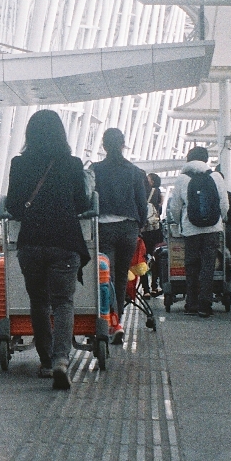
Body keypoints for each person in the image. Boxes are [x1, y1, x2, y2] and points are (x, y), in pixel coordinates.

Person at [6, 110, 91, 390]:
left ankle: (44, 360)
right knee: (64, 302)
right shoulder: (72, 164)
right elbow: (81, 203)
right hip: (65, 241)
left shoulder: (19, 164)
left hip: (31, 242)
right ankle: (61, 360)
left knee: (39, 301)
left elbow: (13, 206)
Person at [90, 128, 148, 342]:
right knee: (122, 276)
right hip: (128, 229)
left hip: (104, 228)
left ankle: (109, 321)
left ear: (104, 146)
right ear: (123, 144)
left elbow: (89, 199)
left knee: (107, 277)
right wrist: (137, 226)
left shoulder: (95, 170)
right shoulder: (134, 171)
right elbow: (142, 204)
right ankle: (118, 322)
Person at [166, 146, 230, 317]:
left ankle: (192, 303)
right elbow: (224, 203)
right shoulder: (216, 176)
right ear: (206, 159)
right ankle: (205, 304)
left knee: (192, 265)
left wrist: (179, 222)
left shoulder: (182, 179)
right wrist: (222, 219)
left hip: (190, 228)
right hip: (213, 228)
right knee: (208, 265)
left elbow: (175, 206)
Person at [140, 173, 164, 297]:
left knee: (142, 258)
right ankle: (155, 286)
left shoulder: (140, 192)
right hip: (155, 230)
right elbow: (159, 211)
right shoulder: (158, 192)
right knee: (155, 257)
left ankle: (145, 290)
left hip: (143, 231)